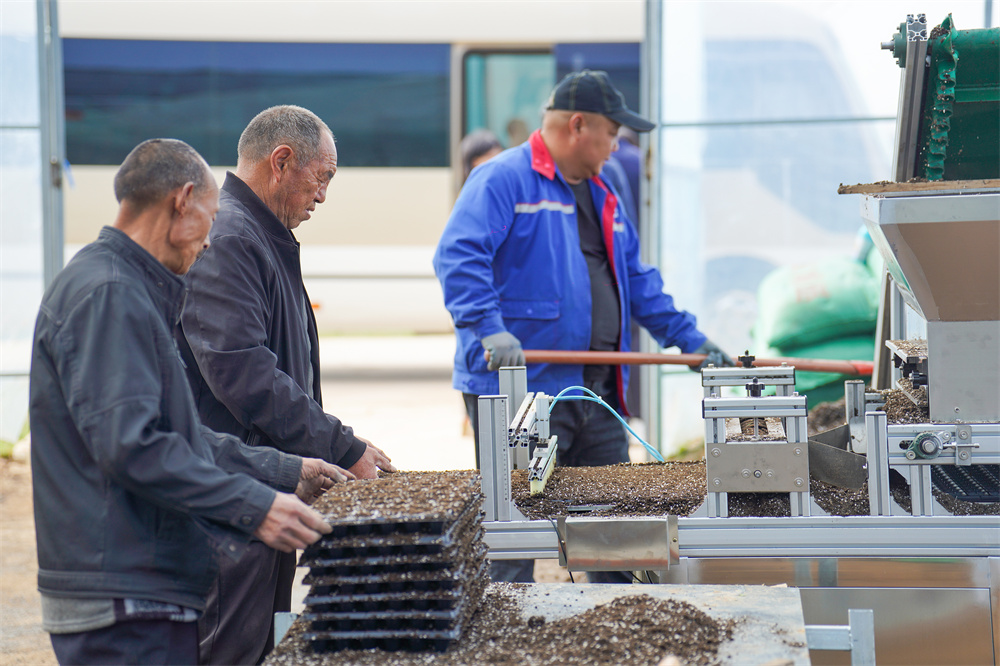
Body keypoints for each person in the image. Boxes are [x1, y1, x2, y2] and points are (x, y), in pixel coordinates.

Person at [29, 138, 353, 666]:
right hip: (123, 596)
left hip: (138, 588)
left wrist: (283, 469)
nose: (209, 243)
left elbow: (179, 433)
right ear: (182, 202)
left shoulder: (124, 286)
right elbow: (135, 447)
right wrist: (255, 507)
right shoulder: (109, 294)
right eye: (208, 218)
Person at [433, 70, 734, 583]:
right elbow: (459, 256)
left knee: (613, 531)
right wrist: (488, 327)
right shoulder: (504, 179)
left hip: (595, 393)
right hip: (523, 395)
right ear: (577, 125)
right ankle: (506, 645)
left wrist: (690, 339)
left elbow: (636, 279)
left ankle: (616, 630)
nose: (617, 146)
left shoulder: (604, 190)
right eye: (613, 133)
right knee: (510, 532)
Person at [177, 104, 395, 665]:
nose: (322, 196)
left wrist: (330, 445)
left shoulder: (258, 235)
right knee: (231, 648)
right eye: (322, 178)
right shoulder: (230, 238)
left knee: (260, 645)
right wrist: (339, 445)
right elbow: (241, 370)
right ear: (282, 161)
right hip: (229, 501)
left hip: (261, 489)